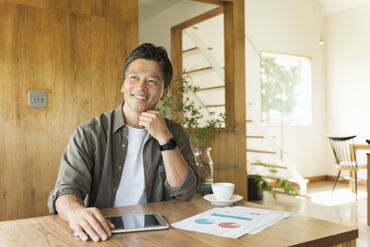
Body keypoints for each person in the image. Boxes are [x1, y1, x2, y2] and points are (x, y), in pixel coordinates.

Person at [48, 43, 199, 242]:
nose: (141, 87)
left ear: (163, 92)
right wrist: (76, 212)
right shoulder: (90, 133)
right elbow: (66, 190)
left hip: (158, 233)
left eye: (152, 81)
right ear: (123, 84)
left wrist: (165, 139)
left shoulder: (175, 133)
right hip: (103, 232)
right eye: (134, 77)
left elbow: (186, 192)